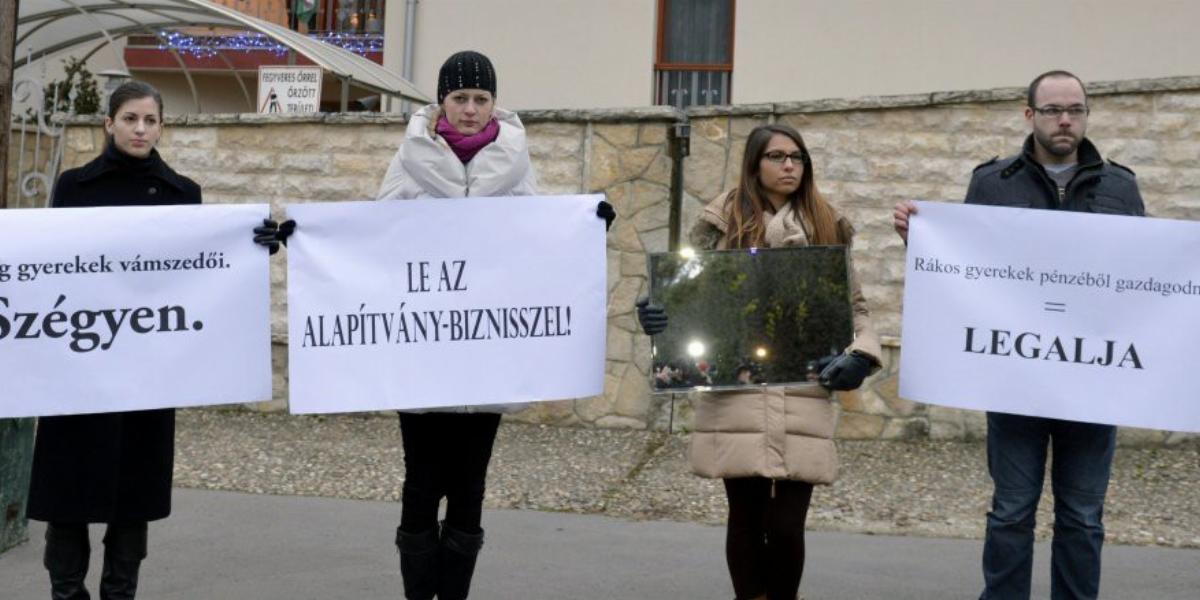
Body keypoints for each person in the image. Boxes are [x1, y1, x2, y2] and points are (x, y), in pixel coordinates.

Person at [893, 70, 1144, 600]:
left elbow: (1140, 281)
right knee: (1011, 511)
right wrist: (923, 242)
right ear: (1029, 115)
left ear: (1086, 115)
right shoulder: (992, 182)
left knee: (1081, 516)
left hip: (1092, 386)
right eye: (1053, 110)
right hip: (1013, 381)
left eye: (1075, 109)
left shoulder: (1121, 187)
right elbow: (965, 271)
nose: (1065, 120)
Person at [375, 50, 612, 600]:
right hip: (426, 351)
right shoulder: (407, 158)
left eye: (481, 99)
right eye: (459, 98)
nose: (470, 109)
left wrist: (585, 227)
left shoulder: (515, 162)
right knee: (421, 480)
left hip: (487, 354)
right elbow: (375, 235)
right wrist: (311, 237)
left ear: (494, 103)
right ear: (441, 101)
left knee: (470, 482)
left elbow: (540, 238)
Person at [637, 123, 881, 600]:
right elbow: (685, 293)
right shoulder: (719, 223)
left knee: (788, 525)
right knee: (746, 516)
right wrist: (656, 312)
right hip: (738, 390)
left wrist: (861, 353)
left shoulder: (827, 223)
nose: (790, 165)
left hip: (804, 389)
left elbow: (856, 308)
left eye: (797, 157)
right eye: (777, 156)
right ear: (754, 164)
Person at [25, 81, 206, 600]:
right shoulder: (73, 186)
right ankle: (67, 593)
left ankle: (119, 594)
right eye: (131, 119)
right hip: (79, 362)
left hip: (145, 369)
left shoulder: (183, 193)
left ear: (162, 126)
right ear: (109, 123)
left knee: (132, 498)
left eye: (151, 120)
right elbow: (47, 265)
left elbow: (202, 270)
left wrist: (253, 244)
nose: (141, 129)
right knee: (68, 493)